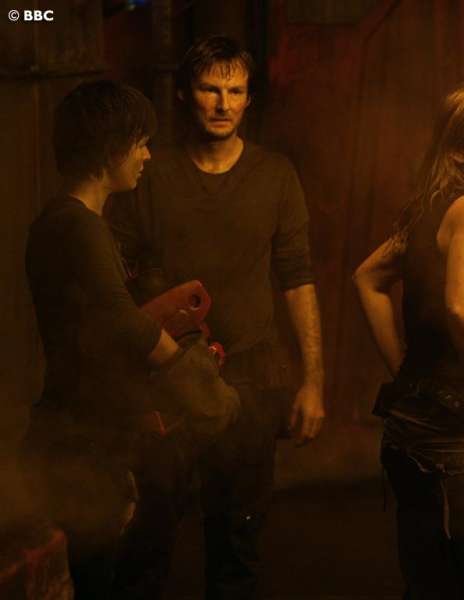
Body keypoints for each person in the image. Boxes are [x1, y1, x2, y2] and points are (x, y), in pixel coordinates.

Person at [106, 35, 325, 599]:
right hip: (166, 377)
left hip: (250, 378)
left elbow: (298, 279)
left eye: (235, 91)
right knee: (146, 543)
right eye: (210, 89)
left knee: (237, 547)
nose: (223, 104)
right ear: (185, 94)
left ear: (249, 98)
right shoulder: (150, 174)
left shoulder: (275, 175)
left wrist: (313, 381)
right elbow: (115, 281)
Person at [24, 80, 239, 598]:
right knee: (110, 581)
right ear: (110, 149)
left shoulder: (77, 224)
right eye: (140, 143)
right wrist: (194, 378)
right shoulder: (75, 224)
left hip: (87, 435)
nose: (147, 155)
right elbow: (121, 320)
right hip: (85, 444)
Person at [353, 82, 464, 599]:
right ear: (458, 150)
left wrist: (405, 371)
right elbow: (460, 304)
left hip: (412, 428)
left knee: (432, 588)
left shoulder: (429, 208)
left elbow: (366, 280)